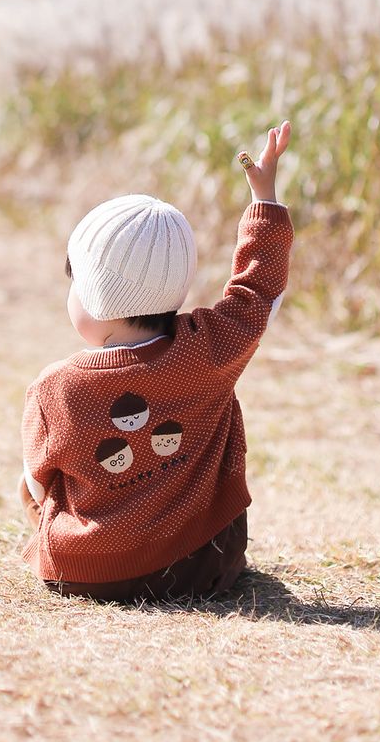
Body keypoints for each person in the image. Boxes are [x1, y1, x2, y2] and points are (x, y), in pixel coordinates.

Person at [19, 122, 292, 602]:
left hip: (85, 571)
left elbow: (39, 489)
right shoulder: (207, 350)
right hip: (200, 565)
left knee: (30, 480)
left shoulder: (56, 388)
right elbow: (258, 290)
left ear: (97, 293)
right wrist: (264, 201)